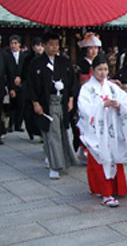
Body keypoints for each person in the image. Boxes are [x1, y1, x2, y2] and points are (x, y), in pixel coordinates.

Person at [77, 54, 127, 207]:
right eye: (99, 69)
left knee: (114, 156)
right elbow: (85, 109)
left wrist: (119, 106)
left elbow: (125, 101)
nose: (103, 73)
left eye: (105, 69)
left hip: (112, 129)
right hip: (97, 130)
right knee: (100, 159)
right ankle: (105, 193)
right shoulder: (86, 88)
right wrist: (103, 105)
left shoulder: (111, 87)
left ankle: (115, 188)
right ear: (93, 70)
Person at [27, 31, 78, 179]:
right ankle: (55, 166)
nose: (55, 47)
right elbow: (30, 85)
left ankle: (62, 159)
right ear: (43, 45)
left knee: (62, 132)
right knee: (51, 133)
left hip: (62, 101)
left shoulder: (64, 61)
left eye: (56, 44)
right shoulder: (36, 63)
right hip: (46, 102)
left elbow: (72, 81)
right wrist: (35, 103)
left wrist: (70, 99)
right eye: (51, 44)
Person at [6, 35, 27, 132]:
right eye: (11, 43)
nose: (13, 45)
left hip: (22, 84)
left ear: (19, 44)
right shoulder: (6, 56)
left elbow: (26, 70)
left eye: (15, 43)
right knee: (12, 105)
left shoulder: (24, 56)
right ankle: (10, 124)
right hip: (11, 83)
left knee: (21, 105)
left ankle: (18, 125)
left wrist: (21, 78)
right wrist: (11, 87)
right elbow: (6, 72)